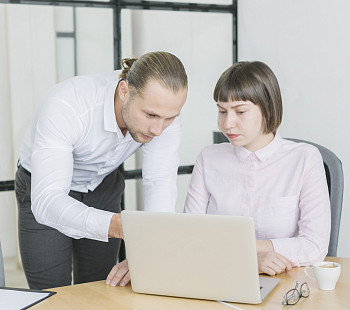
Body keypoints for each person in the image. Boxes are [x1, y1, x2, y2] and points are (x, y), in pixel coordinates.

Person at [106, 61, 331, 286]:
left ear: (268, 108)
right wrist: (252, 257)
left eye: (240, 111)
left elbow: (314, 246)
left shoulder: (304, 159)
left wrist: (246, 250)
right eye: (222, 111)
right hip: (217, 279)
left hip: (288, 285)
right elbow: (191, 237)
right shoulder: (209, 158)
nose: (227, 123)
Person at [15, 51, 188, 289]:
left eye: (169, 118)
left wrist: (149, 252)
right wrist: (118, 225)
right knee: (51, 293)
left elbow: (159, 180)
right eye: (150, 115)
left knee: (102, 286)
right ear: (124, 91)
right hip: (44, 187)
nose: (159, 129)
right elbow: (48, 200)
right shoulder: (67, 105)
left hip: (102, 185)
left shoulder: (163, 110)